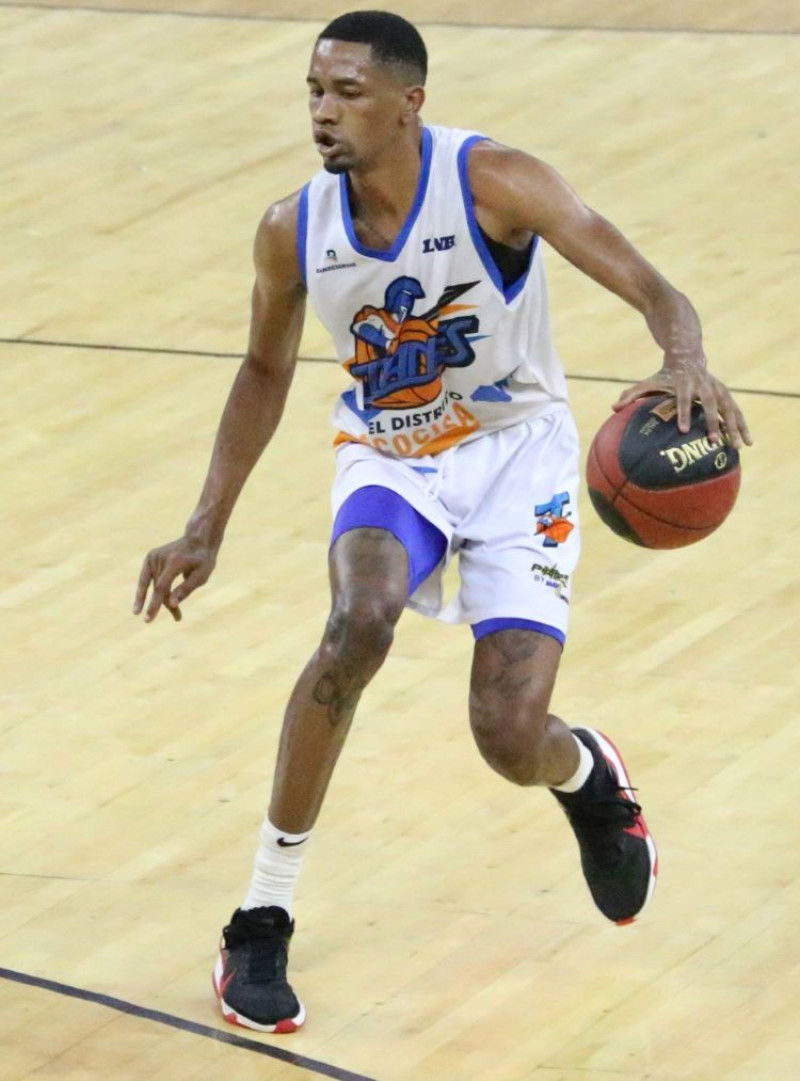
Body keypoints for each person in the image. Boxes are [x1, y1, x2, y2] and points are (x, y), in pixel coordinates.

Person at [133, 10, 751, 1034]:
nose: (323, 113)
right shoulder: (293, 228)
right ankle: (261, 914)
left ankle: (584, 775)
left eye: (347, 94)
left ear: (408, 102)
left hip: (519, 459)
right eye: (313, 92)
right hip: (390, 456)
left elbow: (651, 284)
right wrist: (204, 523)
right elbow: (261, 369)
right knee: (356, 621)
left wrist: (682, 355)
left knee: (507, 738)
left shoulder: (493, 181)